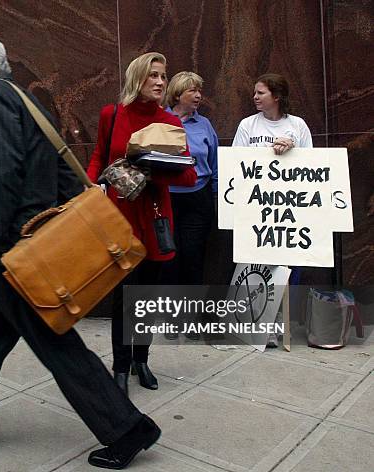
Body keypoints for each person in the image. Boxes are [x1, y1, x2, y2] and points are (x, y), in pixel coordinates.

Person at [0, 32, 161, 470]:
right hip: (17, 246)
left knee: (56, 345)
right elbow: (50, 172)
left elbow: (3, 172)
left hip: (15, 249)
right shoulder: (23, 100)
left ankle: (127, 429)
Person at [86, 53, 196, 395]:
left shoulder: (171, 122)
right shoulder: (113, 114)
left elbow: (189, 175)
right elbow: (99, 157)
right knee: (123, 295)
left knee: (146, 295)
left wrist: (154, 168)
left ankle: (141, 359)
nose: (161, 82)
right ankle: (120, 366)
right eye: (153, 76)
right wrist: (89, 184)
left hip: (154, 216)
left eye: (163, 76)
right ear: (137, 79)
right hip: (119, 217)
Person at [232, 72, 313, 347]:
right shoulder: (247, 126)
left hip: (289, 212)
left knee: (289, 267)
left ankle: (283, 324)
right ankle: (258, 324)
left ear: (276, 96)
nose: (255, 97)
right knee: (258, 266)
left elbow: (311, 165)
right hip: (257, 210)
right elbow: (237, 163)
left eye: (261, 93)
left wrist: (292, 150)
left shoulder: (298, 126)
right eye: (255, 93)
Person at [164, 71, 219, 340]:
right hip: (167, 197)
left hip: (199, 197)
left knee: (193, 257)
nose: (198, 95)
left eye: (199, 90)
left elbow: (215, 161)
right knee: (170, 257)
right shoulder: (160, 120)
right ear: (177, 94)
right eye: (192, 91)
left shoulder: (204, 124)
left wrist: (218, 195)